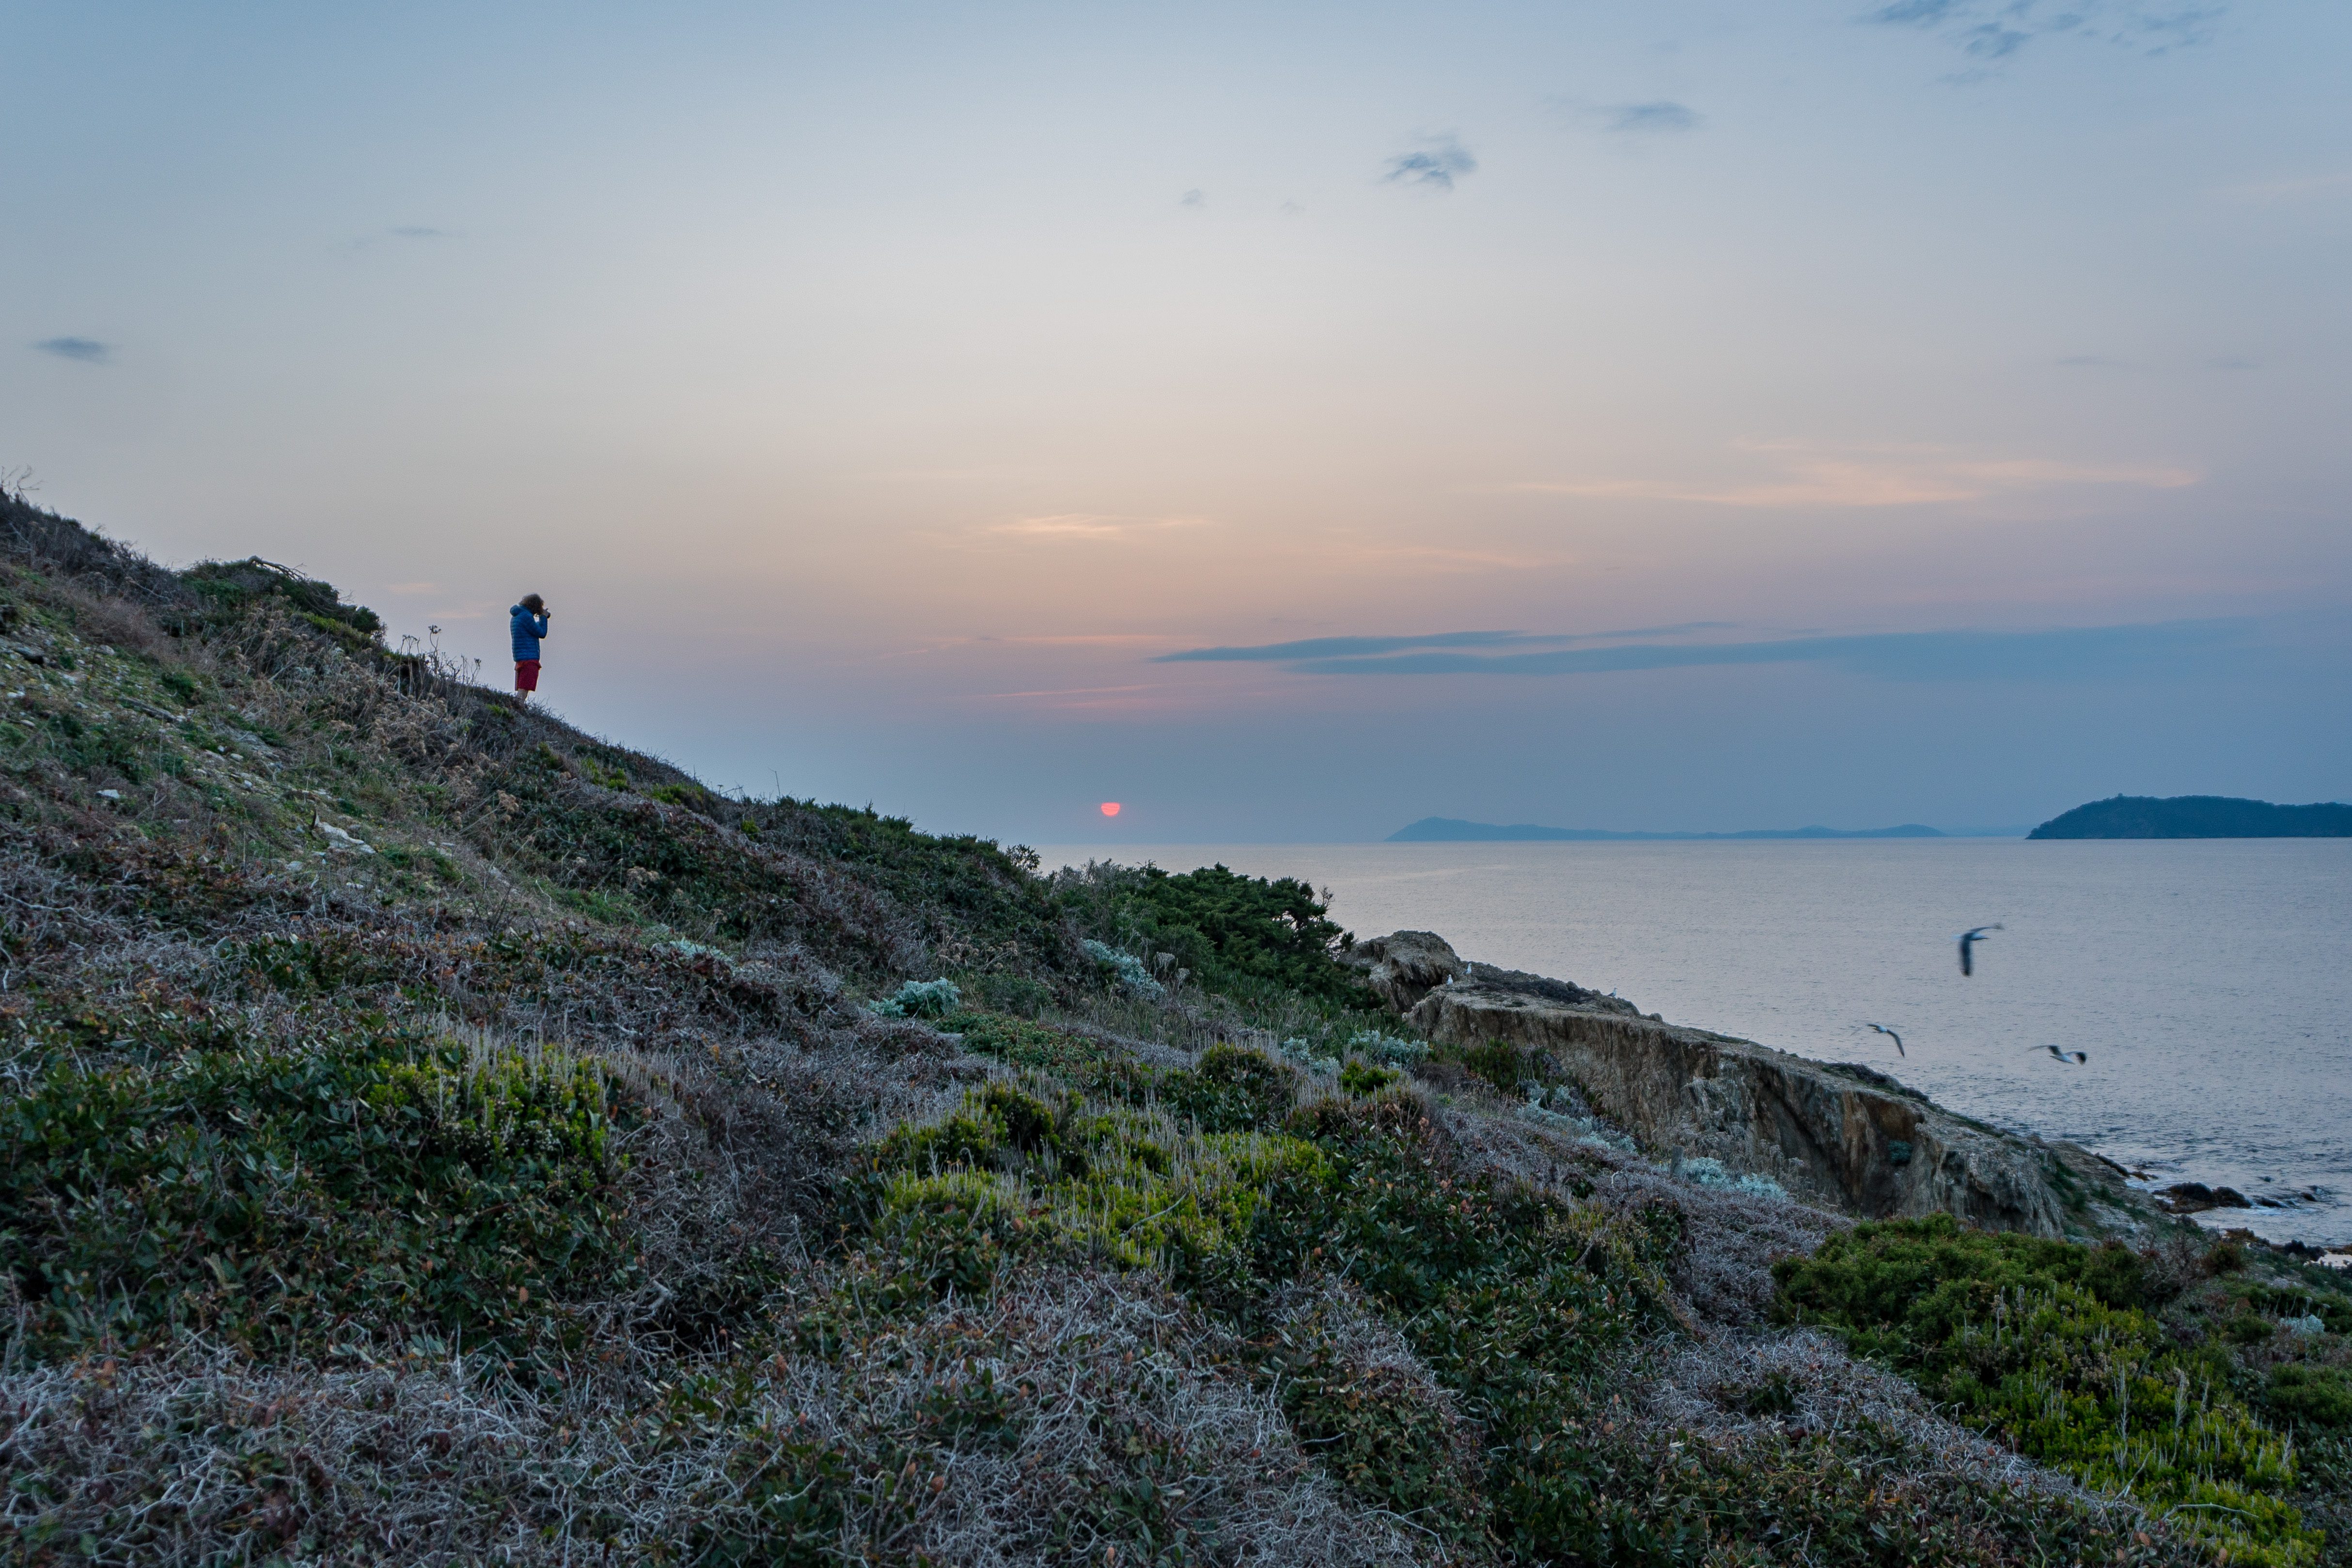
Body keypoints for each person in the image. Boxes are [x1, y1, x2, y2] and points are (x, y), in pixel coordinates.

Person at [511, 594, 550, 700]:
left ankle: (517, 711)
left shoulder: (517, 616)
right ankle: (517, 712)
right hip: (529, 658)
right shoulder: (526, 617)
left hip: (521, 658)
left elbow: (532, 629)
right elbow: (542, 633)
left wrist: (541, 619)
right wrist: (544, 617)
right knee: (523, 691)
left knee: (522, 688)